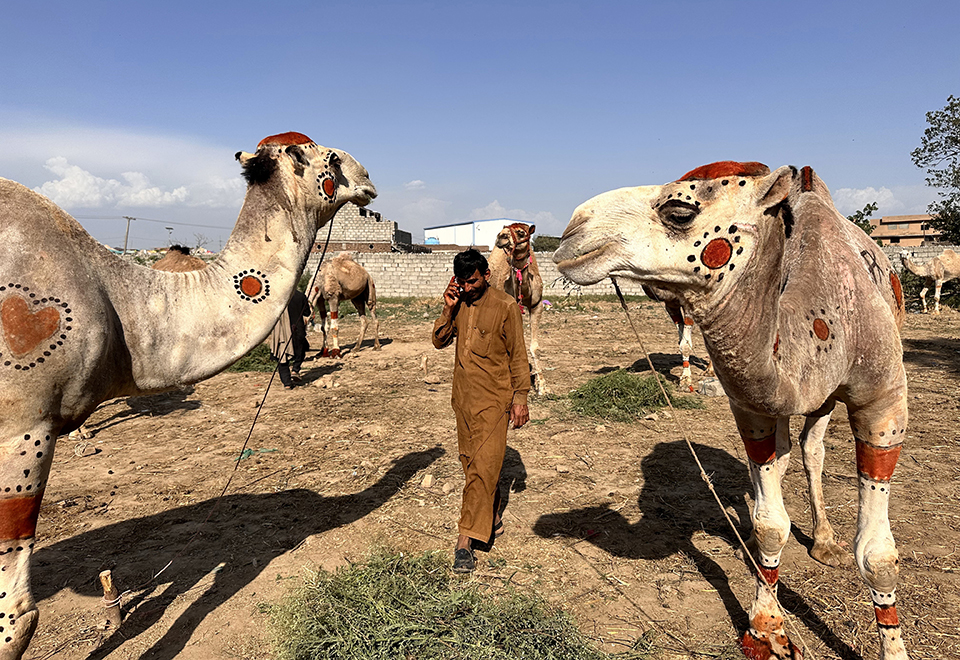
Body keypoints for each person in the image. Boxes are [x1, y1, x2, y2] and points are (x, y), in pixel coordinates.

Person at [432, 249, 530, 573]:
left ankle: (465, 541)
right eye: (462, 281)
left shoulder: (505, 307)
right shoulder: (458, 302)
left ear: (486, 275)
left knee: (482, 468)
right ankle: (493, 515)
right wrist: (448, 310)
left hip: (495, 402)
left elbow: (518, 355)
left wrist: (521, 398)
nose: (468, 287)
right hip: (463, 400)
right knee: (472, 465)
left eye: (472, 281)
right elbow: (438, 341)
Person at [268, 287, 311, 389]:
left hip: (281, 332)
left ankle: (287, 383)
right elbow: (307, 313)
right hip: (297, 330)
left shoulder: (277, 297)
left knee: (282, 356)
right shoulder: (300, 296)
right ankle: (295, 370)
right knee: (301, 350)